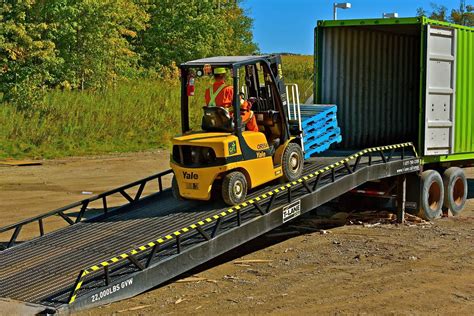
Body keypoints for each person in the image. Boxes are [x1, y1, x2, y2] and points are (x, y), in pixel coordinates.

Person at [205, 68, 258, 132]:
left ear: (214, 76)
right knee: (250, 113)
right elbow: (242, 105)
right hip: (227, 121)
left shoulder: (208, 91)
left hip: (213, 121)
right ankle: (255, 137)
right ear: (224, 75)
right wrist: (249, 103)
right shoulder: (229, 89)